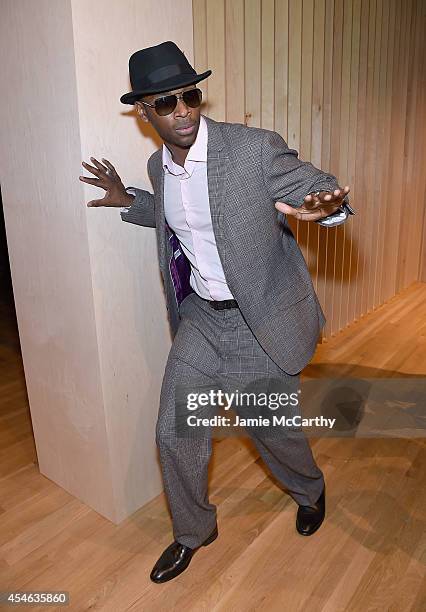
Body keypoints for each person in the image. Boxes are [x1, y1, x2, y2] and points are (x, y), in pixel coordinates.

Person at [79, 41, 355, 584]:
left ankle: (309, 490)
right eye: (165, 102)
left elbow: (312, 187)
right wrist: (127, 199)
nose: (181, 110)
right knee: (174, 431)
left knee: (272, 431)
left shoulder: (252, 150)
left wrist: (327, 208)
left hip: (259, 321)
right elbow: (174, 212)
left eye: (190, 95)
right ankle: (193, 531)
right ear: (145, 112)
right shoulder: (159, 167)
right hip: (202, 318)